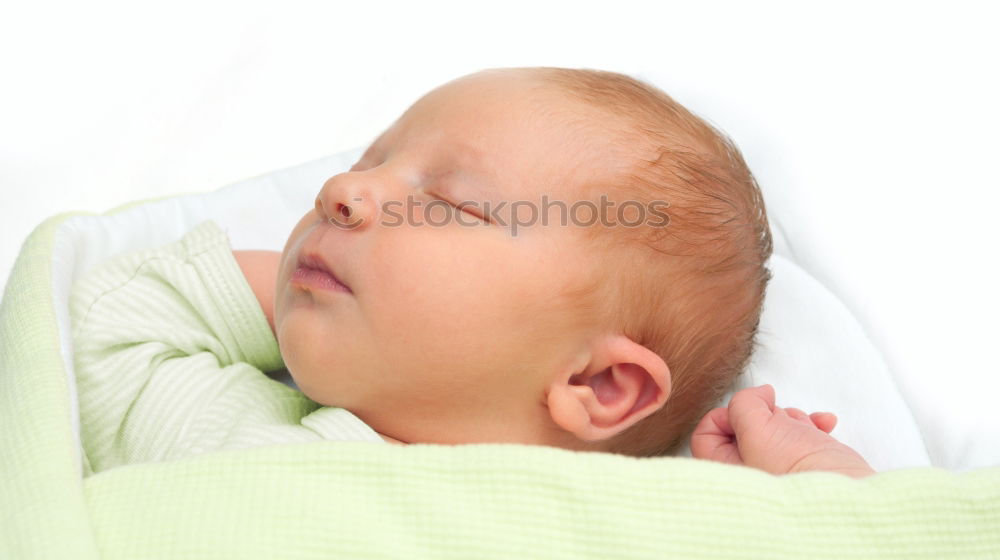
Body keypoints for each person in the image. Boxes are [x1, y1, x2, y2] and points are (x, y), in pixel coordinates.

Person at [71, 67, 874, 478]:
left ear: (599, 388)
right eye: (366, 164)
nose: (342, 192)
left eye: (453, 204)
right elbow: (107, 324)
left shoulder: (646, 519)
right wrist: (291, 284)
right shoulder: (231, 435)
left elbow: (874, 541)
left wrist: (813, 480)